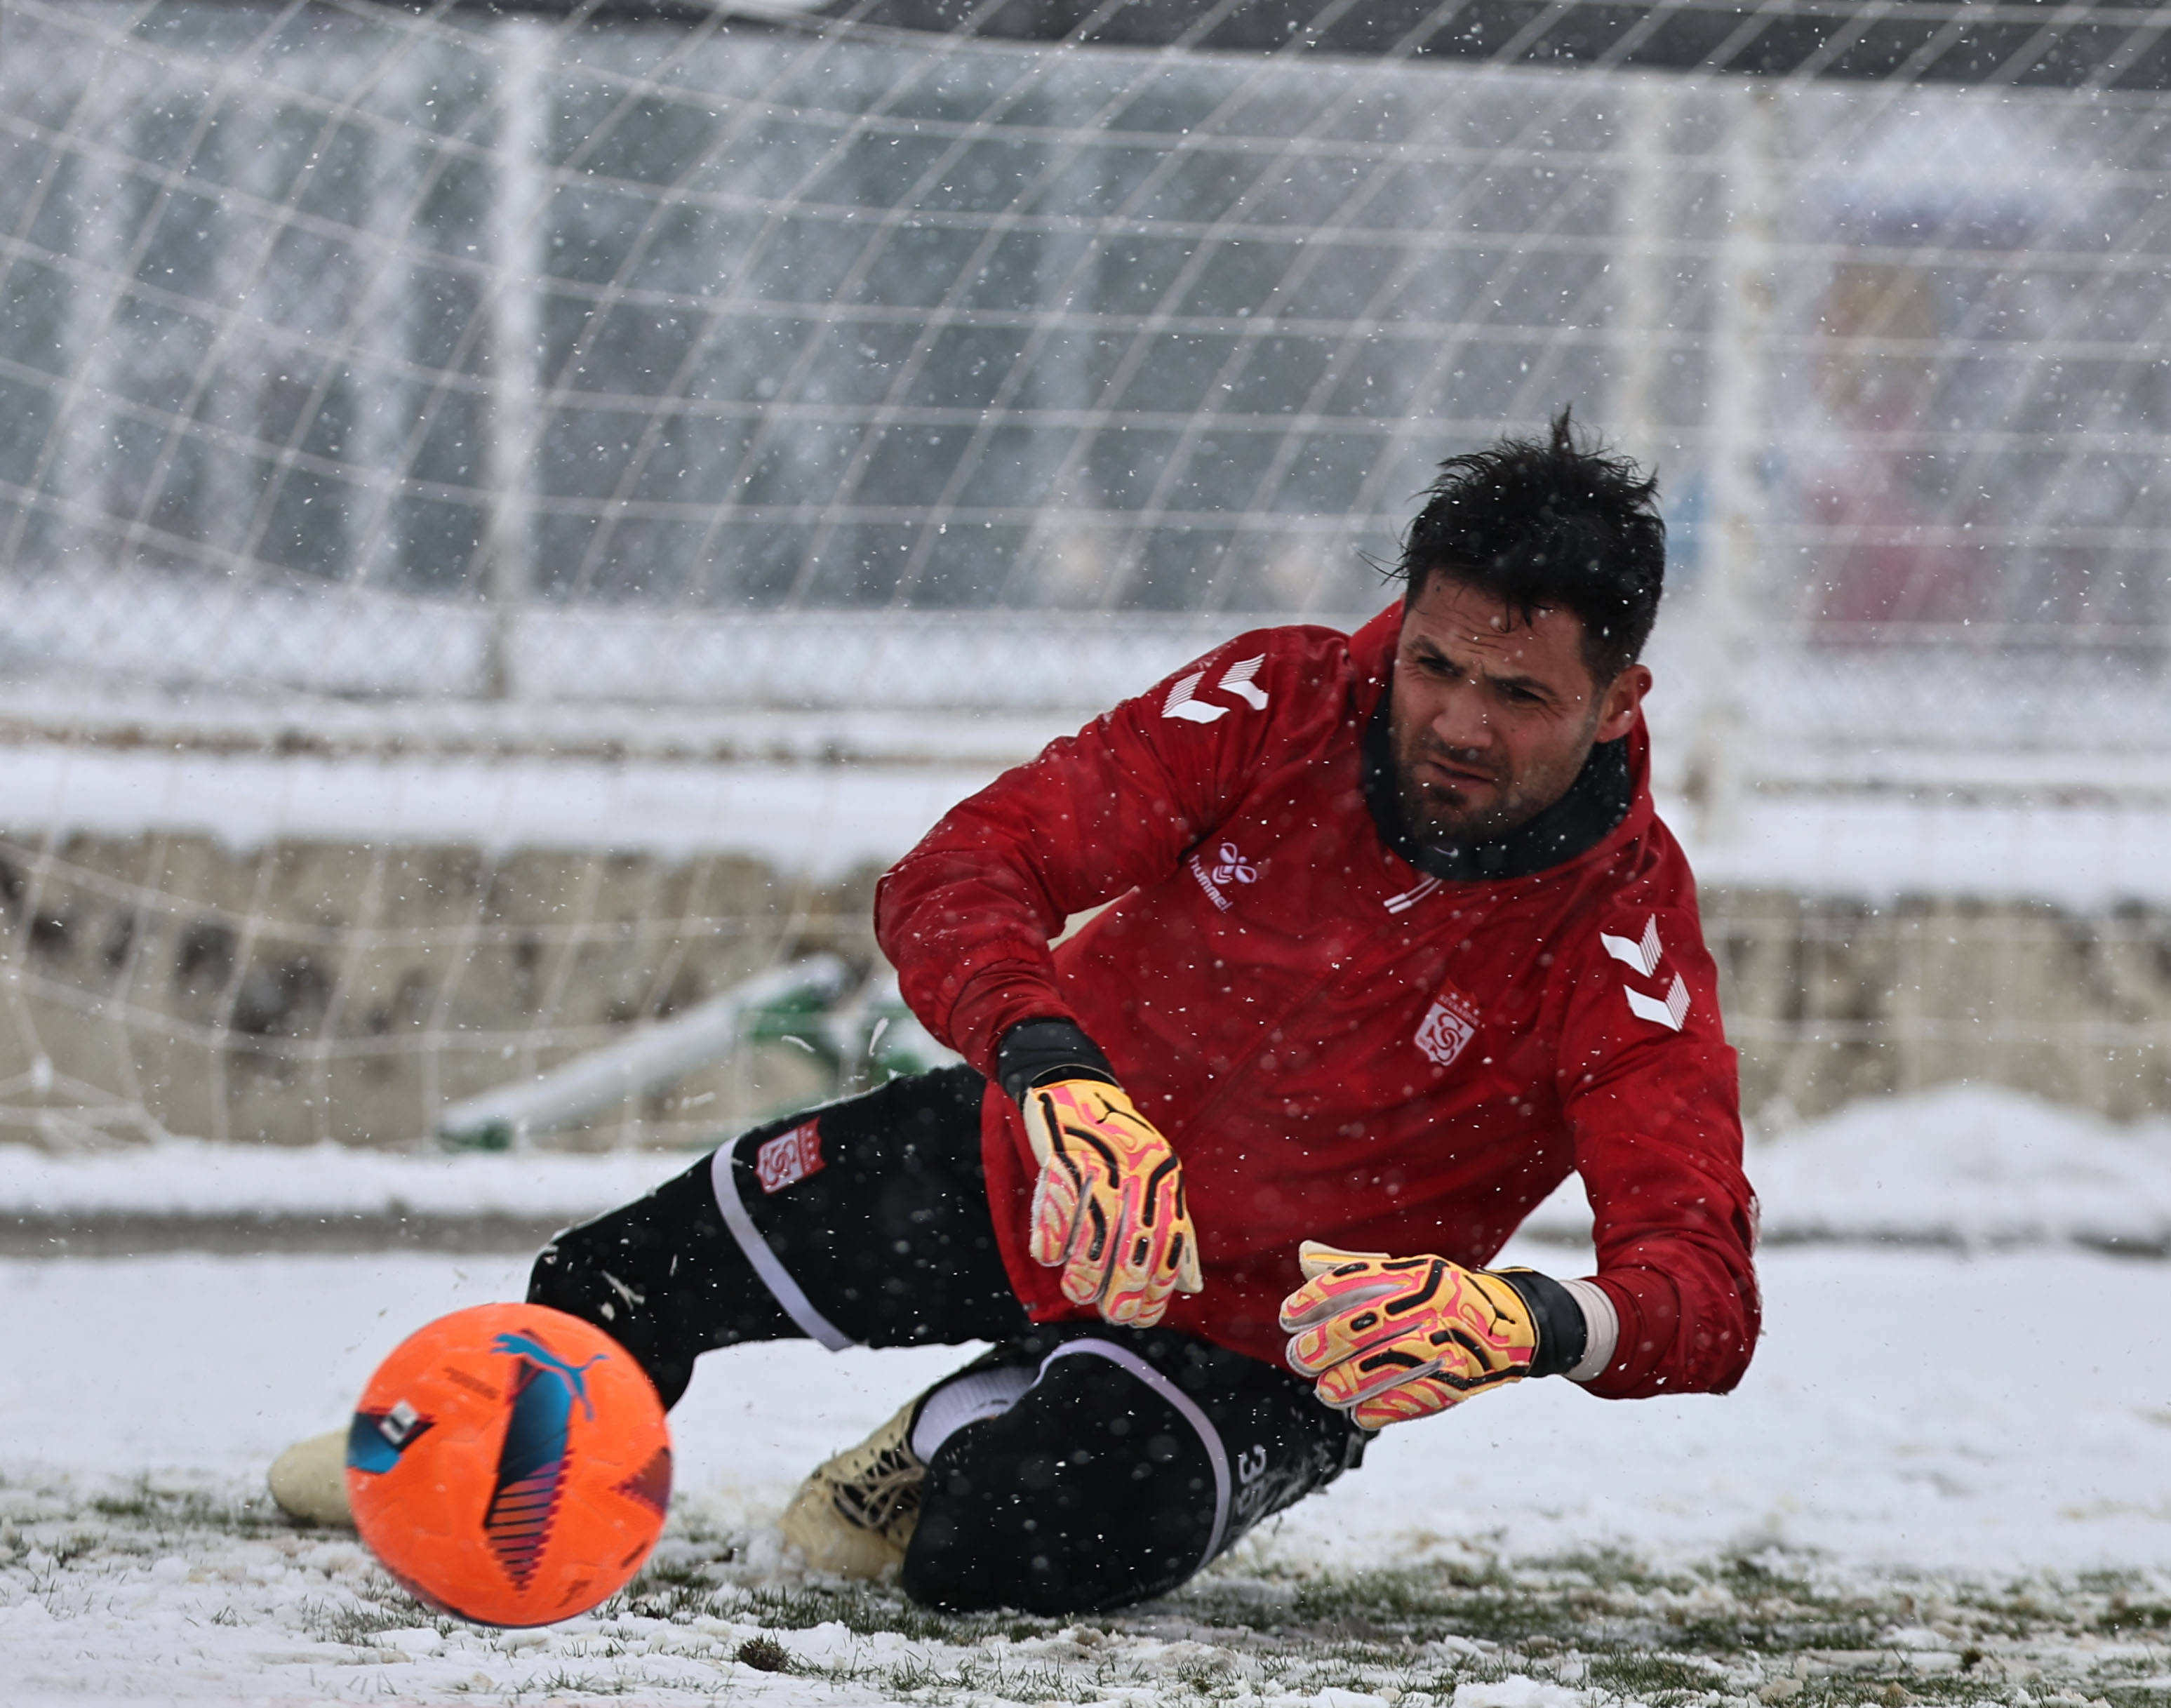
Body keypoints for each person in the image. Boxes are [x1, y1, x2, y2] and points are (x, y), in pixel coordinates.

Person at [277, 411, 1761, 1615]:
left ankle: (950, 1435)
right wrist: (1053, 1078)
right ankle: (428, 1469)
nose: (1449, 717)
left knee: (995, 1550)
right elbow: (962, 869)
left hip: (1257, 1351)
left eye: (1512, 693)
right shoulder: (1277, 698)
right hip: (1034, 1166)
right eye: (1430, 663)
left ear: (1617, 700)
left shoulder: (1623, 936)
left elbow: (1701, 1288)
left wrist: (1527, 1316)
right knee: (600, 1284)